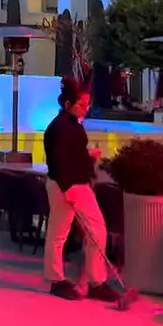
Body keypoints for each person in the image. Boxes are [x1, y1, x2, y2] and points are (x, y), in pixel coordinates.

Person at [41, 78, 121, 302]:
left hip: (75, 183)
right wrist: (68, 188)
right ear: (68, 104)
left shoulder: (72, 125)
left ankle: (92, 280)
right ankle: (62, 280)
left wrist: (88, 159)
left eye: (87, 104)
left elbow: (71, 157)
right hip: (67, 185)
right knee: (62, 233)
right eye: (82, 105)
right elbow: (58, 161)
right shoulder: (59, 128)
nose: (85, 109)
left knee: (91, 231)